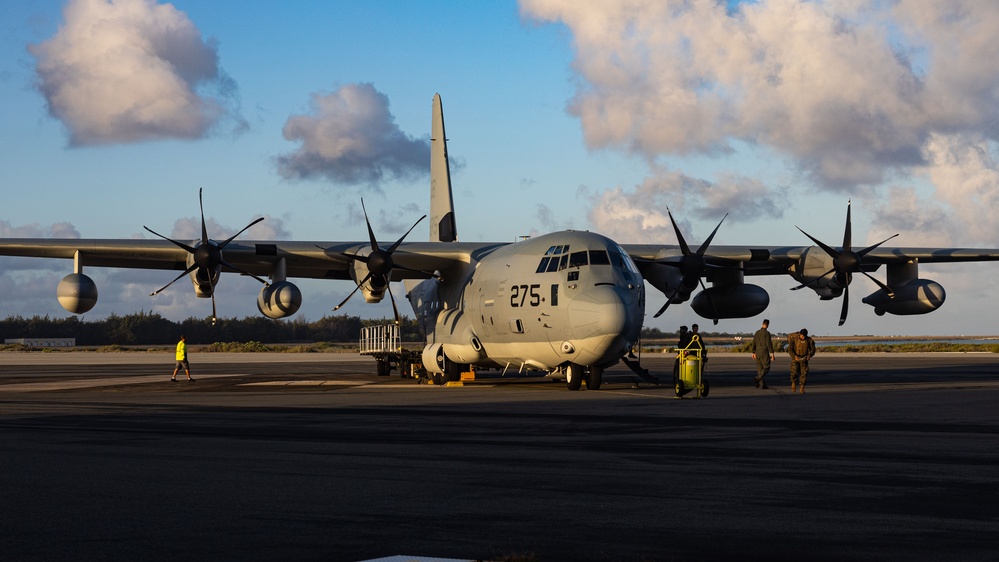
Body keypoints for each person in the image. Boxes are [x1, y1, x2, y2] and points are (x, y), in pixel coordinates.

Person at [788, 328, 816, 393]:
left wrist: (809, 355)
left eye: (804, 336)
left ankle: (802, 387)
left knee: (804, 374)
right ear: (800, 334)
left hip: (804, 359)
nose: (803, 337)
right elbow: (790, 349)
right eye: (802, 336)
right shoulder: (794, 339)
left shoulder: (809, 340)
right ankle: (793, 383)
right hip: (795, 358)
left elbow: (813, 350)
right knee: (794, 372)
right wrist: (794, 356)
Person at [751, 319, 775, 389]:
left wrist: (753, 352)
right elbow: (768, 343)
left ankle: (762, 384)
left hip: (757, 352)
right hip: (764, 352)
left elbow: (754, 342)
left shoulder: (757, 332)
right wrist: (772, 353)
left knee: (760, 369)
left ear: (762, 324)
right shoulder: (767, 333)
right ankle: (757, 378)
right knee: (767, 367)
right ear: (768, 325)